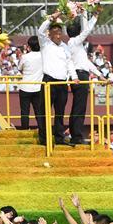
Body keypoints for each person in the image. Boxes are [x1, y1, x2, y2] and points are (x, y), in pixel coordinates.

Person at [36, 13, 77, 146]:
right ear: (50, 34)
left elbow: (69, 62)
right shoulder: (45, 44)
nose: (58, 35)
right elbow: (40, 31)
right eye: (55, 32)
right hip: (49, 81)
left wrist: (74, 77)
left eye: (60, 32)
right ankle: (44, 138)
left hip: (62, 82)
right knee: (45, 110)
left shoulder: (65, 47)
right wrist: (51, 18)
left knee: (60, 112)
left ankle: (59, 137)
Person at [66, 13, 99, 145]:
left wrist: (100, 74)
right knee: (79, 108)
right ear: (78, 32)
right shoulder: (74, 42)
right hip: (79, 76)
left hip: (81, 75)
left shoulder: (75, 45)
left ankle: (76, 135)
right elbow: (87, 30)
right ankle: (76, 136)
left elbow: (86, 63)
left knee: (78, 107)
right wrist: (95, 16)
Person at [18, 36, 44, 132]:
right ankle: (42, 129)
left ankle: (25, 129)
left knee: (25, 111)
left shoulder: (25, 57)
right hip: (38, 87)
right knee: (39, 111)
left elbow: (20, 68)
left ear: (29, 46)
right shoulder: (43, 56)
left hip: (25, 86)